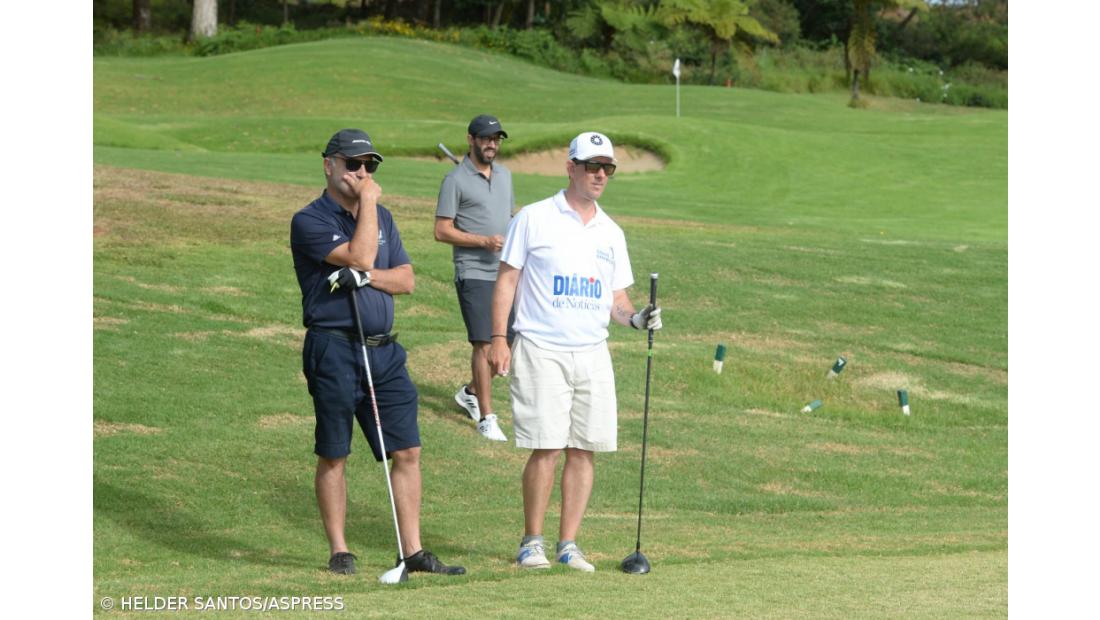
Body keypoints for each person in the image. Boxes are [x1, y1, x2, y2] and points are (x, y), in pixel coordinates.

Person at [290, 129, 465, 577]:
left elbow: (405, 279)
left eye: (370, 166)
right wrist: (367, 209)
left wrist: (365, 278)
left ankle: (412, 550)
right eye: (353, 164)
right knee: (334, 452)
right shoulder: (309, 219)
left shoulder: (384, 217)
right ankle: (340, 549)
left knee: (407, 451)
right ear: (328, 165)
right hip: (333, 349)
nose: (363, 173)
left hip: (384, 353)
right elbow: (364, 256)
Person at [487, 131, 663, 572]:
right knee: (546, 446)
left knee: (584, 448)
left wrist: (638, 318)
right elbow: (507, 280)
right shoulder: (534, 218)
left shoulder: (611, 232)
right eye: (592, 166)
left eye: (607, 168)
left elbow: (616, 300)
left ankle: (569, 544)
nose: (600, 174)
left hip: (592, 350)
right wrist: (497, 338)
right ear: (571, 167)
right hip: (541, 345)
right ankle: (532, 542)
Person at [434, 114, 516, 442]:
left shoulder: (506, 176)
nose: (492, 144)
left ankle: (470, 391)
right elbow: (441, 230)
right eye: (485, 138)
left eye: (496, 138)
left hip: (504, 272)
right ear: (471, 139)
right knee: (485, 343)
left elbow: (509, 215)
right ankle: (486, 416)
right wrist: (483, 241)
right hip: (474, 271)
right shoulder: (454, 180)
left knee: (508, 345)